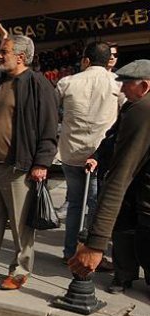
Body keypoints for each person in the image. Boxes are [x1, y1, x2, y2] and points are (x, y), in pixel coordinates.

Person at [65, 59, 150, 316]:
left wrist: (95, 242)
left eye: (127, 85)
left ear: (144, 86)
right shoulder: (135, 112)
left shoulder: (144, 111)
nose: (121, 90)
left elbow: (120, 178)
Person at [0, 35, 58, 291]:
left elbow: (48, 127)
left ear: (21, 57)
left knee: (21, 227)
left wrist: (41, 163)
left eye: (4, 52)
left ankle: (20, 270)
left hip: (18, 168)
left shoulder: (37, 84)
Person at [56, 41, 120, 262]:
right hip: (100, 155)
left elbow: (54, 111)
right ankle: (90, 254)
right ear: (108, 60)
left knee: (75, 203)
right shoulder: (117, 84)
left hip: (70, 153)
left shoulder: (67, 82)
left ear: (86, 60)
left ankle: (69, 252)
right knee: (95, 205)